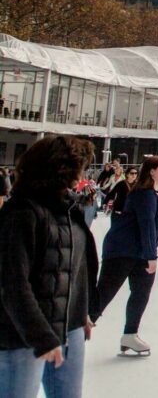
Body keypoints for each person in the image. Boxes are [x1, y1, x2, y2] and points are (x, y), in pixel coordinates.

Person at [0, 136, 98, 398]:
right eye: (79, 168)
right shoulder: (22, 213)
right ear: (60, 169)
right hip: (22, 335)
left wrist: (81, 311)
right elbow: (12, 284)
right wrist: (40, 335)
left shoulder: (68, 209)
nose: (82, 176)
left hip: (69, 327)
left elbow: (75, 268)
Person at [91, 155, 158, 356]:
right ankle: (77, 329)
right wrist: (151, 256)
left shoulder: (154, 194)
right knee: (104, 294)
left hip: (139, 252)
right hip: (123, 251)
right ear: (152, 171)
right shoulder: (144, 195)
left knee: (141, 293)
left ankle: (130, 334)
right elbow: (147, 225)